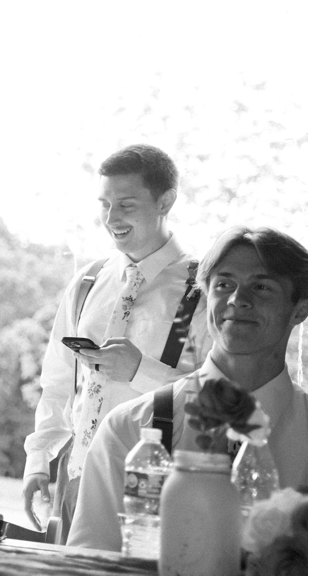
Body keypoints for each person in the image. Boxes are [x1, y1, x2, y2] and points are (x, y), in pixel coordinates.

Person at [68, 226, 308, 551]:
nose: (238, 300)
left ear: (301, 309)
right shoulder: (129, 430)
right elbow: (90, 567)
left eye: (262, 287)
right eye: (224, 285)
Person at [22, 144, 213, 539]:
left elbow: (218, 399)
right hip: (75, 480)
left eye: (126, 204)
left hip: (154, 490)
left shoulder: (201, 290)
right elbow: (59, 384)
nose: (112, 218)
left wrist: (139, 372)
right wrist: (38, 462)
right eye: (105, 204)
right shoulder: (88, 282)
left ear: (166, 201)